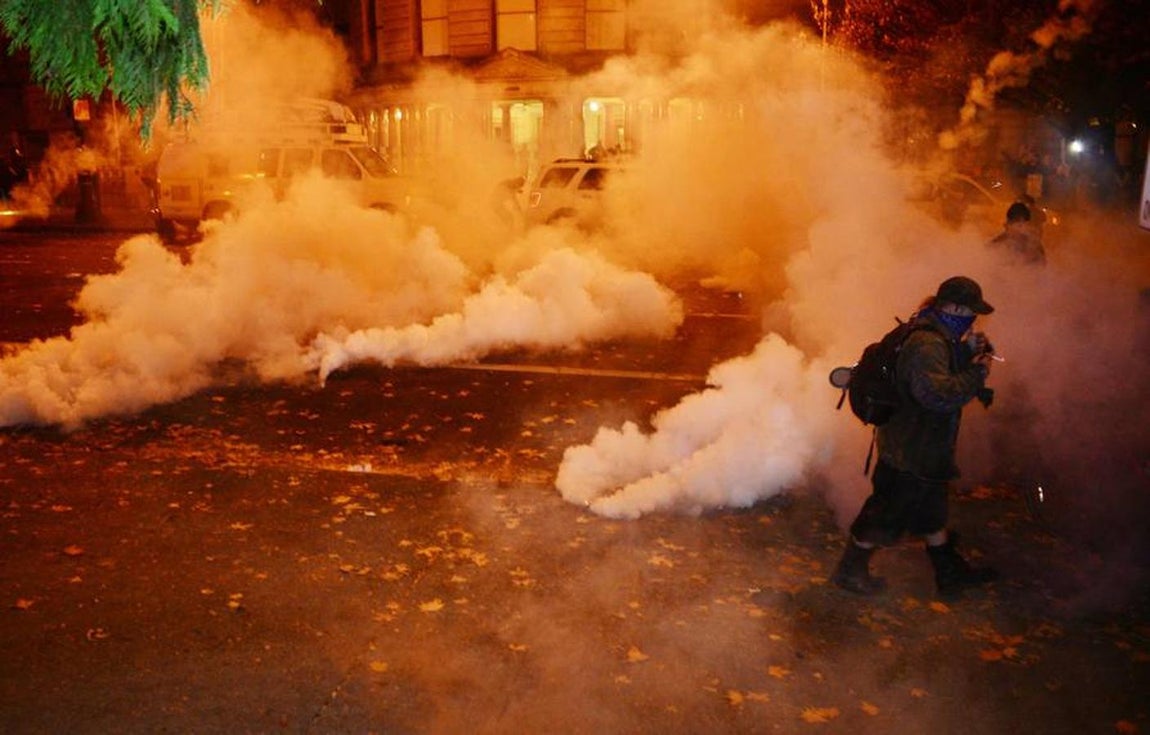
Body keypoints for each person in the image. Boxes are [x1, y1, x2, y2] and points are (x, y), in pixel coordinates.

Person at [833, 276, 999, 599]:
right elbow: (936, 395)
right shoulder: (927, 343)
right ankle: (849, 570)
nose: (973, 318)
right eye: (970, 311)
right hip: (910, 450)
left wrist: (965, 351)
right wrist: (978, 372)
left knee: (932, 513)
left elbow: (935, 375)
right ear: (953, 308)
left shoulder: (935, 333)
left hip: (923, 447)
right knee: (884, 515)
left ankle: (949, 574)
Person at [989, 201, 1046, 265]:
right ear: (1009, 223)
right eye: (1016, 222)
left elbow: (1041, 265)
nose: (1019, 228)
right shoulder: (998, 244)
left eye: (1022, 223)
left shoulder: (1033, 246)